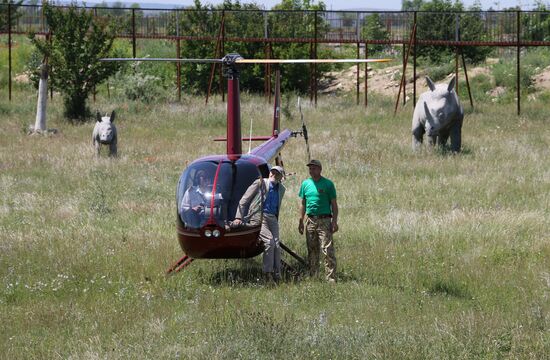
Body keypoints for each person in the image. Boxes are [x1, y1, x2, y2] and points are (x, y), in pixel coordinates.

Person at [233, 166, 286, 283]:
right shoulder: (260, 183)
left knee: (277, 245)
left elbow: (277, 206)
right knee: (269, 242)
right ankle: (267, 274)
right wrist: (238, 217)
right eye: (272, 172)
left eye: (277, 174)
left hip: (273, 218)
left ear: (281, 177)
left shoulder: (281, 189)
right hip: (259, 217)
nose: (273, 175)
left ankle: (277, 274)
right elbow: (244, 200)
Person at [298, 159, 339, 282]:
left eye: (314, 168)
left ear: (320, 169)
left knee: (327, 250)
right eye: (310, 168)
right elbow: (303, 204)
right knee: (312, 250)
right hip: (310, 221)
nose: (312, 170)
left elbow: (334, 204)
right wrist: (300, 220)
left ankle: (330, 278)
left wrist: (334, 221)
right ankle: (313, 276)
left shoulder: (328, 184)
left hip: (325, 220)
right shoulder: (305, 184)